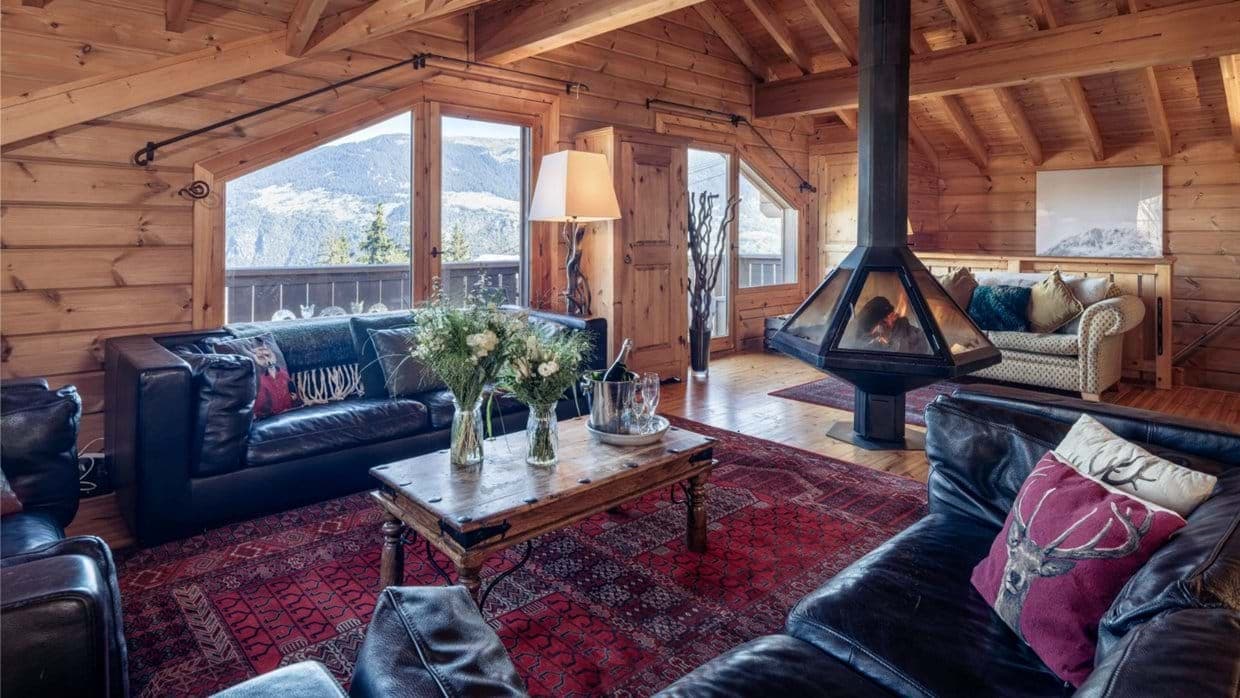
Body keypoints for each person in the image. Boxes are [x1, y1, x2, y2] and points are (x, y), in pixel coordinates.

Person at [852, 295, 930, 354]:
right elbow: (856, 348)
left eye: (881, 322)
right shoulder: (867, 333)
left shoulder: (915, 336)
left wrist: (889, 344)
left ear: (889, 318)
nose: (876, 329)